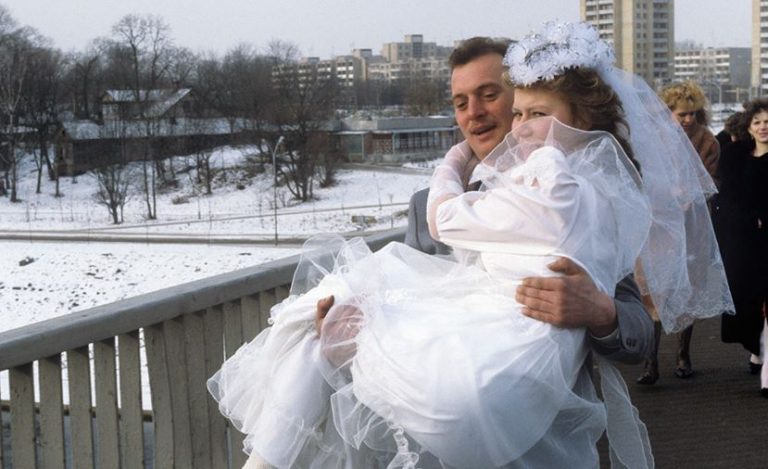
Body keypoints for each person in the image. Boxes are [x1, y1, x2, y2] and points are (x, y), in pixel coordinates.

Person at [209, 22, 731, 468]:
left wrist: (600, 313)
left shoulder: (579, 195)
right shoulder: (423, 204)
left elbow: (638, 337)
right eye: (461, 102)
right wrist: (349, 349)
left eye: (489, 94)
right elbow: (412, 333)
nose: (475, 112)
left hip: (542, 448)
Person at [636, 81, 721, 384]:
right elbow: (639, 177)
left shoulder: (707, 141)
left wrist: (688, 194)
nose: (688, 120)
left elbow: (710, 181)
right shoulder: (650, 140)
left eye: (693, 114)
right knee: (652, 292)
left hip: (691, 227)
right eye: (682, 114)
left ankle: (683, 353)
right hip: (656, 228)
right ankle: (650, 361)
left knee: (687, 291)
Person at [714, 97, 768, 396]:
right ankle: (755, 346)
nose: (763, 127)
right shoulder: (736, 157)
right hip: (745, 243)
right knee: (744, 300)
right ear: (749, 126)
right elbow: (730, 198)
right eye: (758, 122)